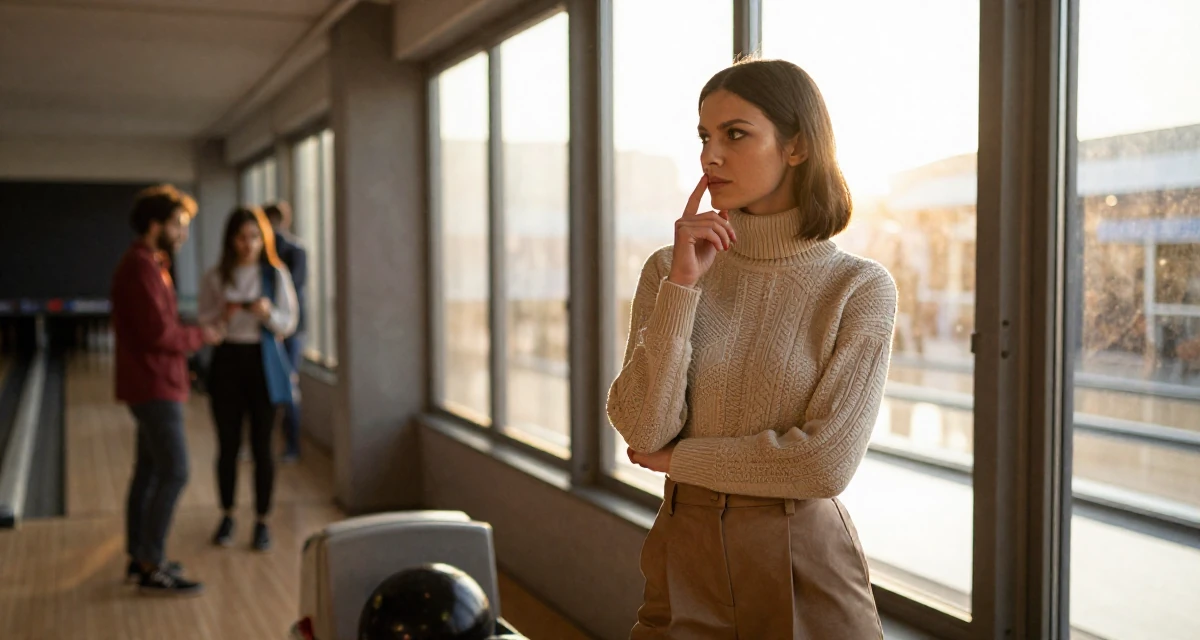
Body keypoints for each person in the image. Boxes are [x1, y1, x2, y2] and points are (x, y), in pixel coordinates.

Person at [607, 58, 897, 639]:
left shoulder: (859, 287)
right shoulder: (669, 270)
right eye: (704, 137)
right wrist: (683, 289)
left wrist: (682, 461)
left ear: (797, 146)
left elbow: (824, 464)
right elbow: (643, 430)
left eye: (735, 134)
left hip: (803, 561)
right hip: (684, 550)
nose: (709, 157)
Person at [112, 184, 222, 596]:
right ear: (156, 225)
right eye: (178, 225)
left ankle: (140, 557)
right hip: (154, 384)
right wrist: (202, 335)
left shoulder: (150, 263)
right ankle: (152, 563)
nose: (183, 234)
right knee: (175, 470)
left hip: (154, 382)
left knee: (149, 471)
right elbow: (159, 334)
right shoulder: (141, 268)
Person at [199, 207, 299, 552]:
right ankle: (227, 514)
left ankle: (262, 520)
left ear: (263, 238)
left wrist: (267, 312)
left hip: (264, 362)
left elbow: (289, 322)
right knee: (227, 445)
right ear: (230, 239)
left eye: (254, 237)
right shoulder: (215, 277)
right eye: (242, 237)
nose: (248, 244)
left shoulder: (275, 274)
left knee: (263, 446)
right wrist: (223, 316)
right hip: (228, 361)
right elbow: (204, 322)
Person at [264, 202, 307, 461]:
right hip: (268, 327)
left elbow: (294, 286)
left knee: (289, 386)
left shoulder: (294, 251)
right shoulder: (262, 252)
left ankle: (292, 445)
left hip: (291, 328)